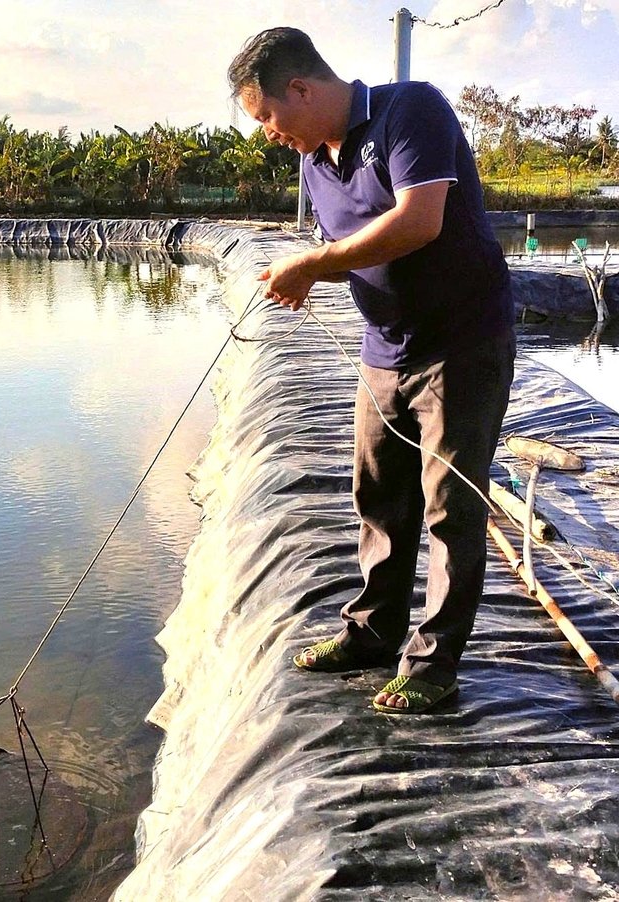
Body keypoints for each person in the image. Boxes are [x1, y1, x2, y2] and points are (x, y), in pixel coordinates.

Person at [227, 27, 515, 714]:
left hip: (461, 346)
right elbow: (353, 250)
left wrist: (314, 263)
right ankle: (372, 634)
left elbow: (419, 221)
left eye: (267, 116)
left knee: (450, 508)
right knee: (379, 497)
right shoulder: (313, 164)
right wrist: (306, 274)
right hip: (384, 349)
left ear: (300, 88)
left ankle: (433, 666)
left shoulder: (409, 110)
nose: (268, 134)